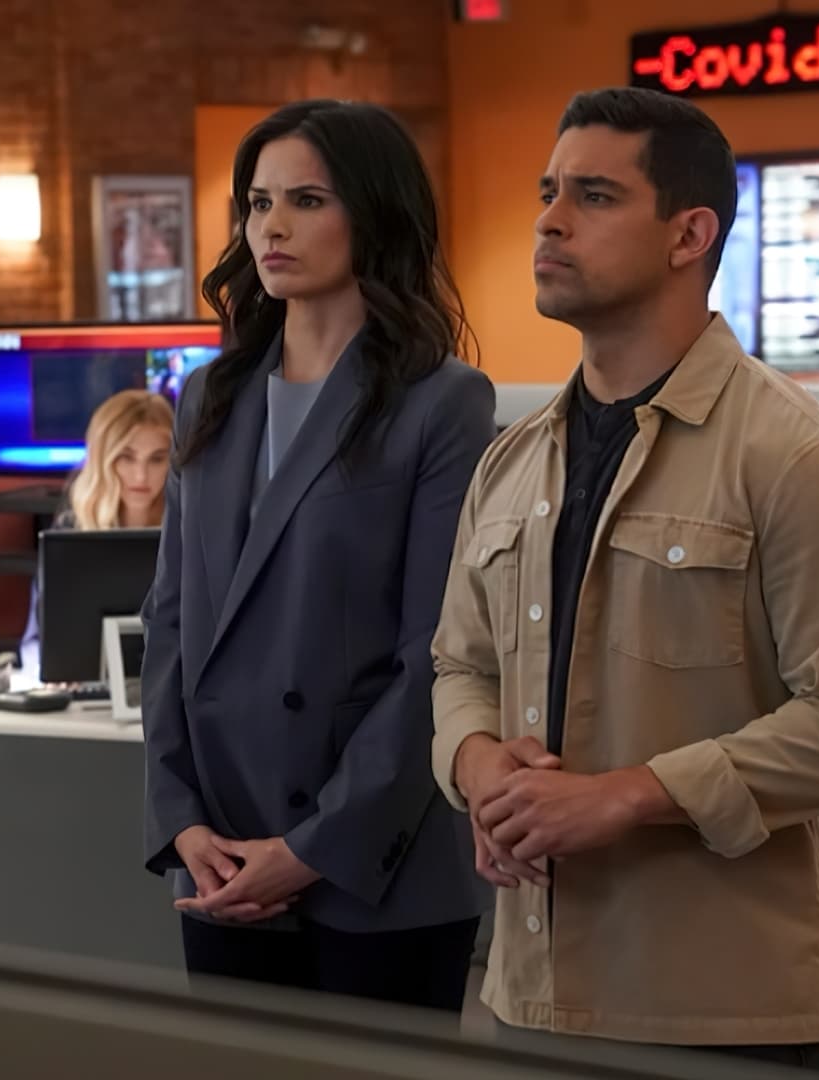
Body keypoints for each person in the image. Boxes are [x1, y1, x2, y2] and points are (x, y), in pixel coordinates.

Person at [430, 87, 819, 1072]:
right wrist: (477, 766)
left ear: (689, 234)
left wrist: (632, 795)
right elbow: (459, 668)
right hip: (528, 1000)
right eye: (548, 192)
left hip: (722, 1016)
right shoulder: (512, 462)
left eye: (594, 196)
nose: (550, 220)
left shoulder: (792, 452)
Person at [141, 99, 496, 1010]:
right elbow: (171, 623)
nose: (272, 227)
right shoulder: (209, 395)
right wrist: (181, 822)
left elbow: (435, 656)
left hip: (374, 867)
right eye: (258, 203)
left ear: (373, 213)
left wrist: (310, 850)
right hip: (220, 857)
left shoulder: (442, 401)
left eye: (306, 200)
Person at [17, 389, 174, 677]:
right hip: (83, 691)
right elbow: (34, 643)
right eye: (126, 457)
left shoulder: (189, 533)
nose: (141, 476)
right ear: (102, 458)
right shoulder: (69, 532)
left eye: (156, 459)